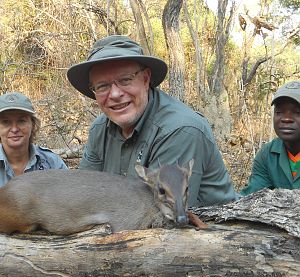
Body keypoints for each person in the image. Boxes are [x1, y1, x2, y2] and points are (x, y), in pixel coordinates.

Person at [67, 35, 237, 207]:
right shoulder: (100, 129)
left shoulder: (180, 130)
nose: (115, 94)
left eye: (125, 80)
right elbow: (84, 193)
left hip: (208, 230)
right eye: (102, 86)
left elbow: (160, 214)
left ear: (146, 79)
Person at [240, 80, 300, 195]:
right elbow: (252, 198)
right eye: (279, 112)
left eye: (297, 112)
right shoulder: (267, 154)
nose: (286, 119)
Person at [0, 92, 68, 187]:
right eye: (6, 122)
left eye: (21, 121)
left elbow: (69, 197)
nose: (14, 129)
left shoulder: (52, 163)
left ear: (33, 125)